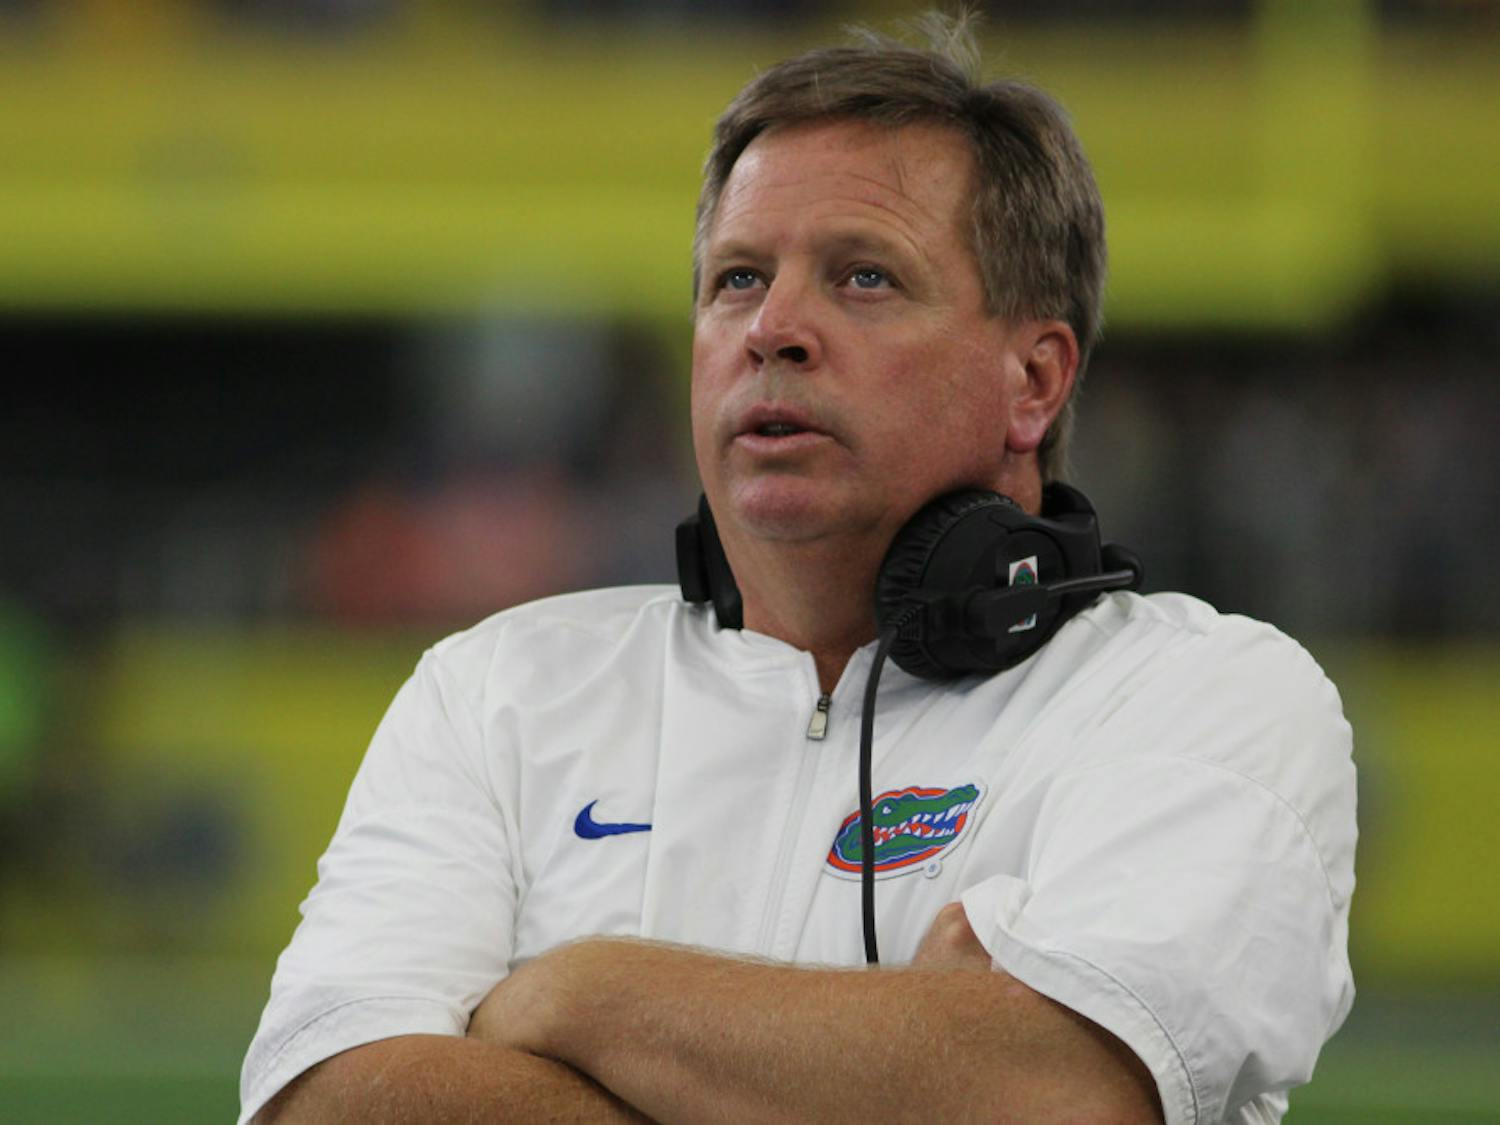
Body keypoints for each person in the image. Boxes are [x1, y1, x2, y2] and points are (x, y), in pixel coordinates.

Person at [242, 13, 1356, 1123]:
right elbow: (332, 1104)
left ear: (1034, 380)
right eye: (735, 279)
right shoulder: (493, 695)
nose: (773, 326)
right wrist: (902, 1066)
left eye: (863, 278)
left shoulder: (1204, 698)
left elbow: (1053, 1094)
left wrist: (580, 995)